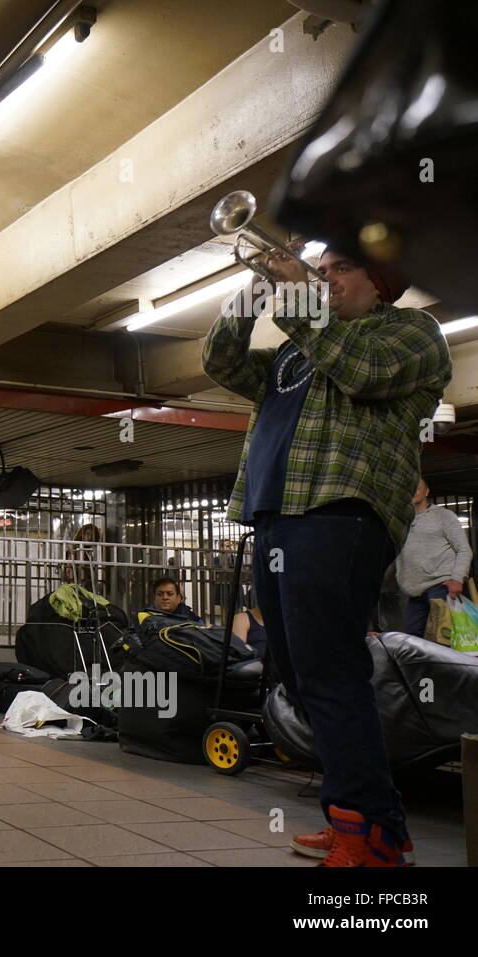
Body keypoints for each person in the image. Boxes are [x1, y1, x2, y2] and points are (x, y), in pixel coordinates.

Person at [203, 244, 451, 866]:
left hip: (341, 511)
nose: (325, 277)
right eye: (323, 268)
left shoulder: (411, 332)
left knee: (331, 671)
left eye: (341, 268)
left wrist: (298, 298)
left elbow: (363, 372)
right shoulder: (296, 346)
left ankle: (373, 837)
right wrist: (253, 294)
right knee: (299, 672)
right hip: (275, 512)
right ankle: (361, 817)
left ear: (380, 279)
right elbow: (221, 362)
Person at [396, 479, 473, 637]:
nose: (413, 492)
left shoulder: (443, 516)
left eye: (417, 488)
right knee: (413, 639)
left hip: (441, 585)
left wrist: (457, 579)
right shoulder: (400, 522)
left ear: (427, 492)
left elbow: (464, 549)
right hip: (414, 591)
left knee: (444, 637)